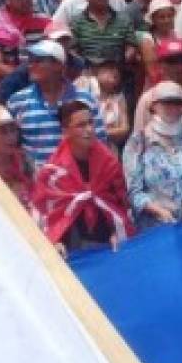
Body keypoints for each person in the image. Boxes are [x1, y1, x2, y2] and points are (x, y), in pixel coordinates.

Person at [33, 99, 133, 254]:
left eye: (91, 123)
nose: (89, 129)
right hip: (69, 246)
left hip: (108, 242)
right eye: (81, 125)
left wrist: (116, 232)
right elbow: (46, 213)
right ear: (65, 131)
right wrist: (55, 241)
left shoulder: (109, 163)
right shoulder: (53, 173)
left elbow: (119, 203)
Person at [123, 80, 182, 229]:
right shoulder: (138, 142)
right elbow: (134, 192)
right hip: (154, 228)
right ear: (153, 106)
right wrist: (158, 210)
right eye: (166, 102)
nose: (173, 107)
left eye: (178, 103)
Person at [5, 40, 106, 170]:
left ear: (58, 65)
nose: (31, 65)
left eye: (38, 61)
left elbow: (100, 143)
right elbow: (11, 148)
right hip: (36, 185)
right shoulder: (17, 101)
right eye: (30, 61)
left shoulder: (86, 99)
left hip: (78, 183)